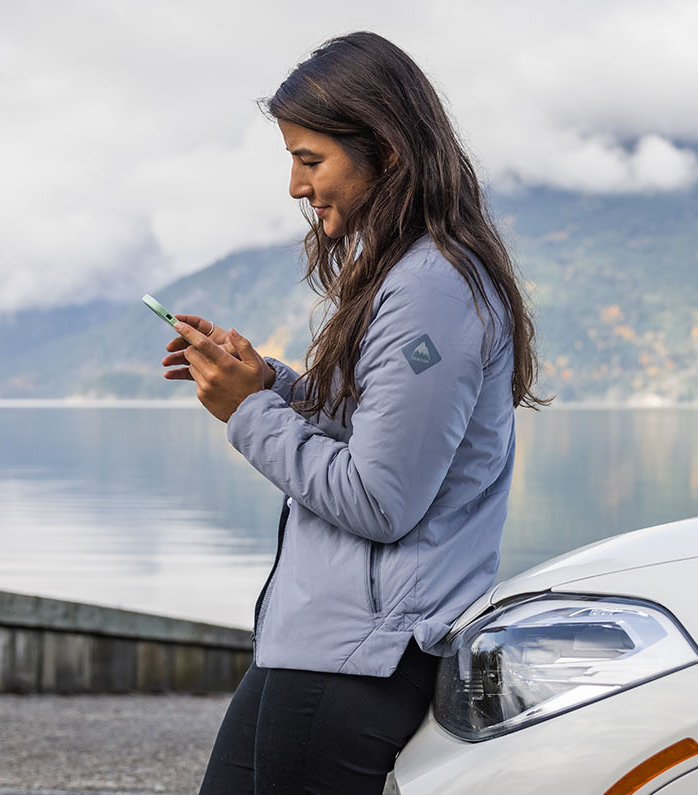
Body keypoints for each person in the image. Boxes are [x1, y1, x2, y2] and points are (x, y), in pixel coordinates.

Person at [160, 31, 545, 795]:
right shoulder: (412, 273)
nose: (297, 188)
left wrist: (248, 414)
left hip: (358, 656)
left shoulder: (433, 287)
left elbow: (380, 497)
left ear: (387, 153)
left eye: (311, 161)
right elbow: (371, 419)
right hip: (320, 641)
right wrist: (265, 380)